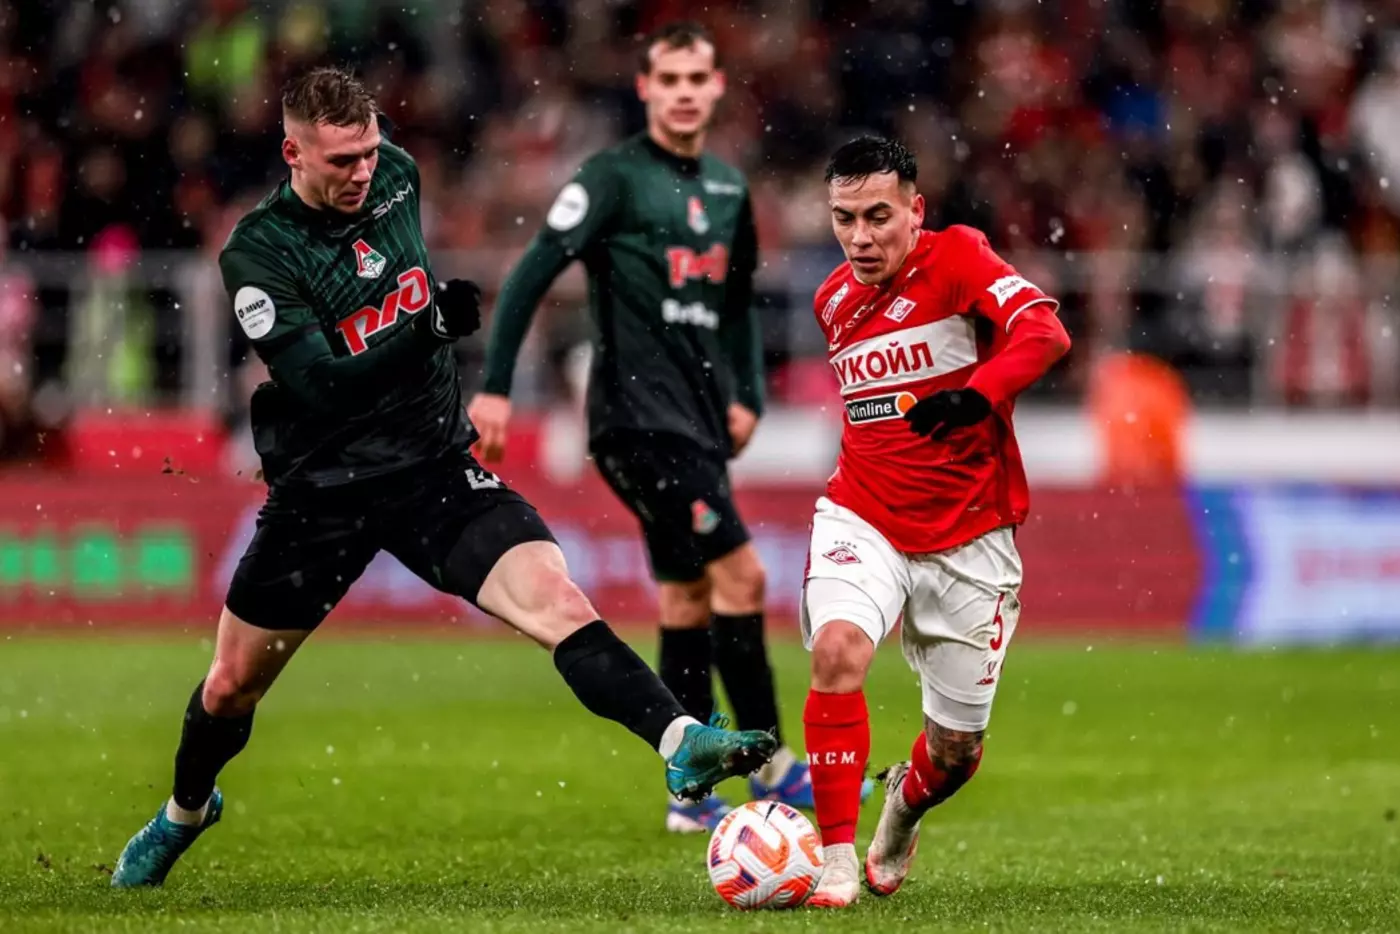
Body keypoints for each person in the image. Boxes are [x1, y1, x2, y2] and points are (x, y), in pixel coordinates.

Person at [110, 66, 776, 889]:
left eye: (368, 150)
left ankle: (680, 743)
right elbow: (319, 387)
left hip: (432, 469)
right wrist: (424, 329)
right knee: (230, 686)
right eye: (342, 159)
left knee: (559, 600)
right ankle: (185, 812)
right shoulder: (259, 252)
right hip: (324, 490)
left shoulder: (397, 173)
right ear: (293, 153)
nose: (363, 170)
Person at [469, 22, 840, 834]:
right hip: (635, 421)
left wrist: (747, 395)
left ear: (716, 87)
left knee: (686, 593)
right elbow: (532, 270)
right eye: (667, 78)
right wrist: (493, 388)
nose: (682, 92)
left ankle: (689, 794)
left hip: (698, 422)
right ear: (644, 88)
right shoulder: (613, 177)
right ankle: (771, 765)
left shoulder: (729, 189)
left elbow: (736, 305)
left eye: (695, 78)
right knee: (743, 577)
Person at [798, 137, 1072, 907]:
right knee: (838, 650)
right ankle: (834, 860)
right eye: (844, 218)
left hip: (970, 536)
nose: (860, 237)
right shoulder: (831, 301)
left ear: (915, 211)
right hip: (862, 515)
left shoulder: (958, 258)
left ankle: (904, 806)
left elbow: (1046, 333)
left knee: (954, 752)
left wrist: (977, 395)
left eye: (878, 216)